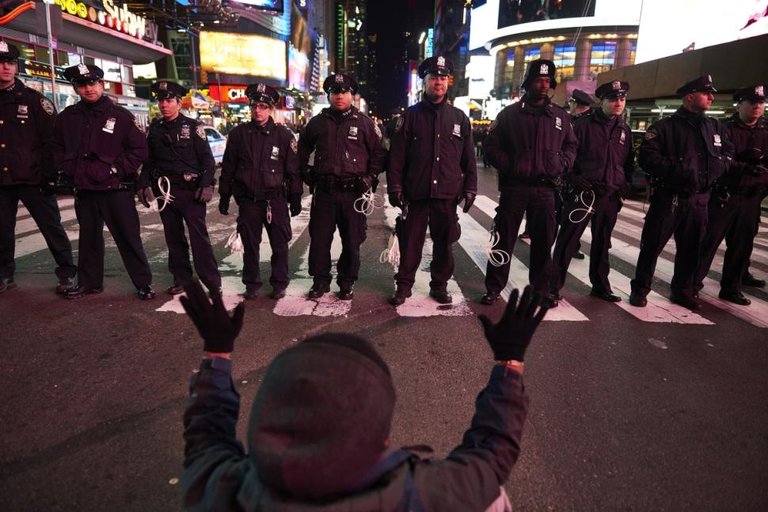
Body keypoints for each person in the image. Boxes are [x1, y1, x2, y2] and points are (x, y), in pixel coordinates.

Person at [180, 277, 548, 510]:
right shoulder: (423, 494)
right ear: (381, 434)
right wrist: (509, 363)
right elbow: (492, 453)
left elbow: (205, 437)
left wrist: (217, 352)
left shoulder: (221, 488)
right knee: (493, 499)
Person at [629, 74, 733, 310]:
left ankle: (683, 291)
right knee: (652, 246)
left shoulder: (715, 127)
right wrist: (679, 171)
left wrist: (719, 167)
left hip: (700, 200)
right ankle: (640, 289)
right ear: (690, 96)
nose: (711, 97)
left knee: (691, 249)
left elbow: (728, 153)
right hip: (670, 197)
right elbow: (647, 157)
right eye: (706, 93)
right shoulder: (665, 127)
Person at [51, 63, 154, 300]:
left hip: (115, 190)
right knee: (88, 240)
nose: (88, 89)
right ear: (76, 88)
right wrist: (68, 169)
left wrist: (117, 169)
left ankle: (143, 283)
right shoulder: (67, 118)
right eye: (82, 84)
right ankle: (89, 283)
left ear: (101, 84)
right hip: (85, 191)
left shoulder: (120, 116)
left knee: (129, 239)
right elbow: (55, 148)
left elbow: (139, 150)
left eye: (92, 83)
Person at [481, 59, 578, 306]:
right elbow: (491, 147)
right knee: (503, 239)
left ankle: (541, 290)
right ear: (528, 83)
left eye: (547, 81)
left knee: (543, 244)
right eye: (538, 80)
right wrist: (511, 165)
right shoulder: (509, 115)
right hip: (515, 188)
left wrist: (561, 163)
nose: (543, 85)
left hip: (546, 190)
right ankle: (493, 287)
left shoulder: (560, 117)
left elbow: (571, 146)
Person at [387, 55, 477, 305]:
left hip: (446, 195)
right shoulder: (410, 117)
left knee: (444, 245)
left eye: (443, 78)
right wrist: (395, 188)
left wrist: (470, 189)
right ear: (424, 82)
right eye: (433, 78)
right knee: (410, 243)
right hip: (415, 194)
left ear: (448, 82)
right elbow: (396, 159)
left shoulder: (459, 118)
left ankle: (439, 285)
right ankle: (404, 286)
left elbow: (469, 159)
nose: (439, 82)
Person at [298, 73, 386, 300]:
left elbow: (379, 154)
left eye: (344, 92)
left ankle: (347, 282)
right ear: (328, 95)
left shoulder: (365, 123)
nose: (339, 96)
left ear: (351, 95)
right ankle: (320, 281)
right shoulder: (317, 123)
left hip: (353, 194)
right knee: (319, 240)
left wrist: (371, 177)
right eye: (335, 92)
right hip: (325, 193)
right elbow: (301, 149)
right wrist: (306, 172)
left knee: (352, 241)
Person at [0, 41, 76, 294]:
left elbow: (51, 142)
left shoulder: (35, 101)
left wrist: (49, 176)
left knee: (51, 227)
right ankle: (4, 275)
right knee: (2, 232)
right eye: (1, 63)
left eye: (10, 63)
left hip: (33, 178)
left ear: (16, 67)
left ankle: (67, 273)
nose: (5, 68)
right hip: (2, 179)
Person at [549, 80, 634, 303]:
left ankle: (600, 285)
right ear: (601, 101)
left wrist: (623, 187)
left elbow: (628, 162)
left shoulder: (623, 129)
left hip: (609, 196)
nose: (618, 103)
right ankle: (552, 287)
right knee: (568, 240)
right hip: (583, 193)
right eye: (613, 99)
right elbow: (564, 156)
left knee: (602, 242)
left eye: (622, 99)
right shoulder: (582, 126)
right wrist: (572, 179)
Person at [137, 80, 221, 297]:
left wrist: (206, 185)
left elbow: (208, 161)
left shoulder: (194, 128)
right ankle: (181, 279)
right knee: (174, 239)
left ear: (178, 103)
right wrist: (143, 183)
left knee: (199, 239)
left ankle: (212, 282)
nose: (164, 105)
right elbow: (149, 161)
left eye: (169, 100)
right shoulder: (155, 129)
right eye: (161, 100)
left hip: (191, 192)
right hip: (166, 192)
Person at [218, 83, 302, 300]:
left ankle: (279, 283)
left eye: (263, 106)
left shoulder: (284, 136)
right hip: (249, 201)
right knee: (250, 246)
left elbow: (293, 170)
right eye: (255, 105)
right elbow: (228, 168)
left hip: (275, 201)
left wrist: (295, 197)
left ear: (271, 109)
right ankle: (252, 284)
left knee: (280, 245)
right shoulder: (238, 135)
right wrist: (225, 195)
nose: (258, 110)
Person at [695, 84, 768, 306]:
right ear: (740, 106)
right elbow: (716, 159)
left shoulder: (765, 130)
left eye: (761, 103)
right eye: (752, 103)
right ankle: (691, 284)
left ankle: (731, 287)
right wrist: (742, 167)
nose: (757, 107)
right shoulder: (724, 129)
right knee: (708, 242)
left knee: (742, 246)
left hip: (751, 196)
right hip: (725, 195)